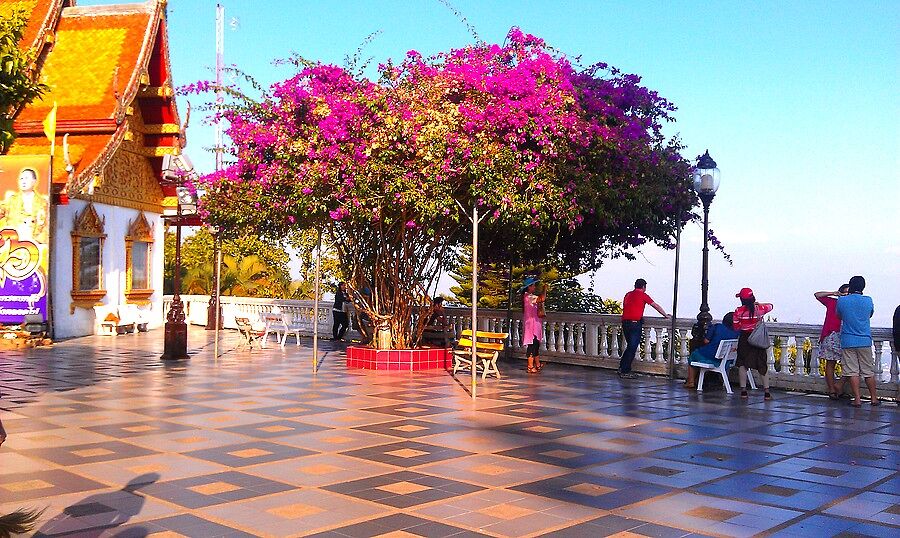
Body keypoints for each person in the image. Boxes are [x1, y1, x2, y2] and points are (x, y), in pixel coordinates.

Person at [836, 276, 879, 407]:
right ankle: (873, 398)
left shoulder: (842, 301)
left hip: (848, 340)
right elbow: (870, 314)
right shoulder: (868, 300)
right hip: (864, 339)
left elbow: (839, 315)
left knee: (852, 371)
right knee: (868, 371)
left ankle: (857, 399)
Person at [620, 278, 669, 379]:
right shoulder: (643, 295)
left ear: (635, 286)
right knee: (632, 348)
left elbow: (626, 305)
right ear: (644, 287)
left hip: (625, 322)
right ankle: (625, 370)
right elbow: (655, 305)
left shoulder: (628, 294)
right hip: (634, 323)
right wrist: (665, 315)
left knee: (630, 347)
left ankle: (622, 367)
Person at [733, 287, 774, 399]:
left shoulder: (738, 311)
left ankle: (743, 391)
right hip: (758, 339)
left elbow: (736, 327)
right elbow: (771, 306)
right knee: (761, 364)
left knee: (742, 364)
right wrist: (759, 303)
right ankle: (766, 392)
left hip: (745, 339)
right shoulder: (760, 309)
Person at [684, 312, 739, 390]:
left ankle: (691, 382)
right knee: (697, 355)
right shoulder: (737, 332)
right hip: (725, 361)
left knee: (693, 355)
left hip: (712, 358)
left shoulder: (717, 327)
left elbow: (706, 341)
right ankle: (695, 380)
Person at [814, 284, 850, 400]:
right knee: (831, 363)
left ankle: (838, 386)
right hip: (831, 335)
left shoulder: (850, 305)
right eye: (844, 293)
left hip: (844, 336)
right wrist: (833, 293)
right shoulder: (832, 302)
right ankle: (832, 390)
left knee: (849, 365)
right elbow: (817, 295)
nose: (846, 295)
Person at [0, 167, 49, 244]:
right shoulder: (11, 201)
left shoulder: (43, 203)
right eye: (21, 179)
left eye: (26, 178)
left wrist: (35, 240)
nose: (23, 181)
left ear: (34, 181)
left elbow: (47, 226)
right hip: (12, 243)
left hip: (35, 244)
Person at [522, 276, 546, 374]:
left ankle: (538, 364)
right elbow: (542, 298)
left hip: (535, 325)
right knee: (531, 346)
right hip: (531, 326)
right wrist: (545, 289)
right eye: (533, 286)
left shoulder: (530, 296)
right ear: (529, 287)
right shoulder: (528, 297)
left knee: (536, 344)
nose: (534, 287)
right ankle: (530, 366)